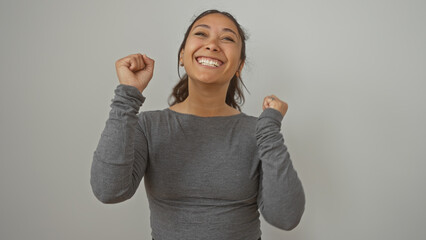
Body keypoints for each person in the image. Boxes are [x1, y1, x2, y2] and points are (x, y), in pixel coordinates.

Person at [90, 9, 305, 240]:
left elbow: (286, 217)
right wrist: (128, 96)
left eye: (227, 38)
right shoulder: (149, 125)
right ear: (182, 56)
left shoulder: (259, 132)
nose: (212, 44)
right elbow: (108, 191)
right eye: (201, 34)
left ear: (239, 66)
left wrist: (270, 128)